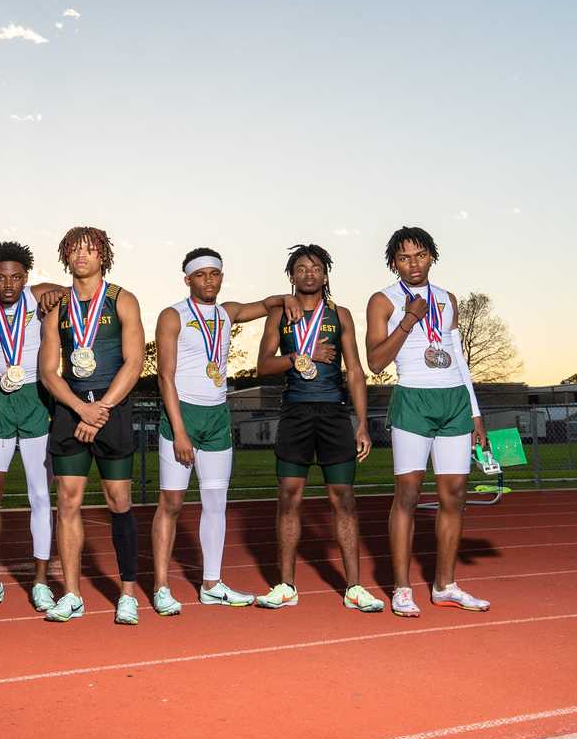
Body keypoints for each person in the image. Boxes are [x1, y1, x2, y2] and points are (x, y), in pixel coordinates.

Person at [150, 247, 300, 615]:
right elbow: (164, 377)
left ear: (221, 276)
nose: (208, 281)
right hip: (182, 415)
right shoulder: (172, 315)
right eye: (200, 275)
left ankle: (212, 584)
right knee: (171, 504)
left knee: (216, 504)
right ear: (188, 279)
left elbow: (265, 304)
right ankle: (161, 587)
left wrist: (288, 299)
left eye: (214, 274)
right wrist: (180, 432)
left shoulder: (226, 313)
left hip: (218, 415)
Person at [366, 226, 490, 617]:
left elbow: (459, 360)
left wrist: (475, 413)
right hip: (413, 400)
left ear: (432, 256)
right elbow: (375, 361)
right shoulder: (382, 301)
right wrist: (407, 320)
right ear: (393, 263)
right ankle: (402, 588)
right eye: (404, 258)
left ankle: (445, 585)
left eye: (420, 255)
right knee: (408, 495)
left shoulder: (448, 299)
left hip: (453, 399)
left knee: (454, 497)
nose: (413, 263)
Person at [253, 244, 384, 612]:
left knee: (343, 499)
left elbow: (355, 371)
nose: (309, 273)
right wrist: (298, 358)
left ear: (325, 275)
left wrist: (362, 424)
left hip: (333, 415)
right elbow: (263, 364)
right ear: (291, 276)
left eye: (316, 267)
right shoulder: (279, 314)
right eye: (301, 268)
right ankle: (286, 586)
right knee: (289, 497)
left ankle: (354, 588)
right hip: (295, 413)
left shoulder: (340, 315)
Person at [39, 226, 145, 624]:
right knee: (67, 501)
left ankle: (128, 594)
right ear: (66, 256)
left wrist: (100, 408)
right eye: (75, 250)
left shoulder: (123, 300)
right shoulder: (57, 306)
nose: (82, 255)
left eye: (90, 249)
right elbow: (49, 371)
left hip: (111, 403)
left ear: (104, 255)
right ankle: (71, 594)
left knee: (119, 500)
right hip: (70, 405)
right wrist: (80, 409)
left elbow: (134, 363)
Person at [0, 241, 65, 611]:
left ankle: (40, 582)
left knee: (40, 495)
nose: (9, 284)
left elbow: (76, 290)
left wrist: (57, 290)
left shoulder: (39, 297)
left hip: (36, 396)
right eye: (1, 277)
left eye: (17, 277)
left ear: (27, 278)